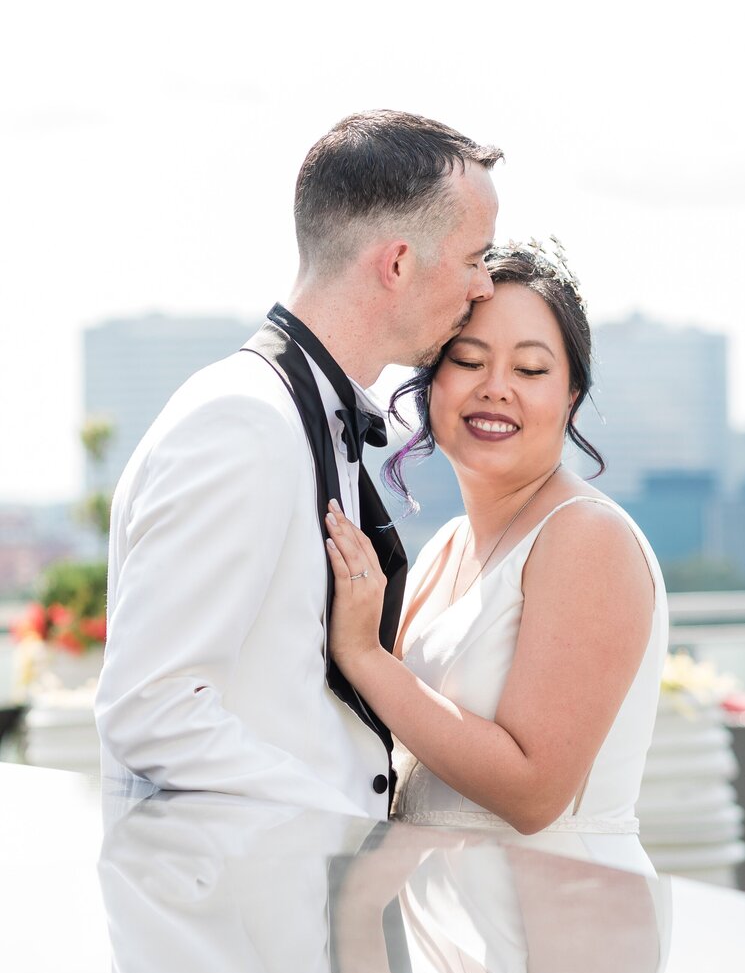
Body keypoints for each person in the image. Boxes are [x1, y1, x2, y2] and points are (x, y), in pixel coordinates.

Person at [96, 110, 501, 819]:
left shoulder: (284, 413)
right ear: (399, 262)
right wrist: (348, 842)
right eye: (474, 259)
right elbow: (151, 710)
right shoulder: (243, 424)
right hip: (244, 907)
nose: (485, 288)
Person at [323, 239, 668, 861]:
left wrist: (362, 656)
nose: (496, 388)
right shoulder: (445, 548)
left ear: (571, 395)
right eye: (467, 361)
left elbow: (534, 794)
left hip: (561, 921)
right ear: (431, 380)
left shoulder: (585, 536)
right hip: (455, 922)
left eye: (531, 370)